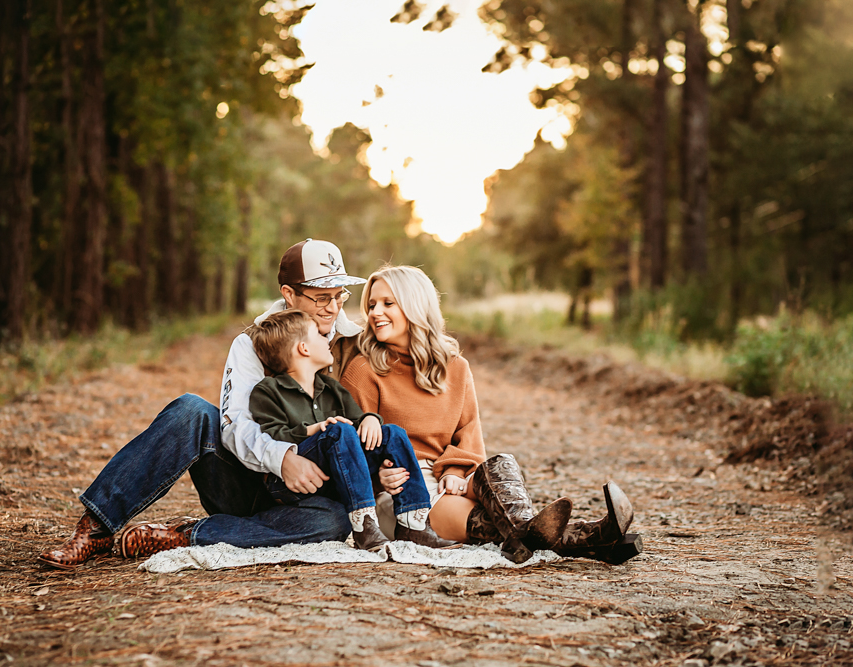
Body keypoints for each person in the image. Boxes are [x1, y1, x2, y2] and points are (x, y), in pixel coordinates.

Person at [38, 239, 369, 569]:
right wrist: (281, 459)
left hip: (309, 499)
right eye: (322, 297)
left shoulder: (354, 345)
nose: (333, 307)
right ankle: (96, 528)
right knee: (190, 411)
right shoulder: (251, 344)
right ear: (289, 294)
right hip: (247, 484)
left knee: (333, 523)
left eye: (340, 295)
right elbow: (236, 423)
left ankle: (186, 535)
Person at [341, 265, 642, 564]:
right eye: (371, 305)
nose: (375, 312)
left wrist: (454, 470)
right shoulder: (364, 371)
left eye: (387, 303)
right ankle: (597, 538)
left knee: (501, 465)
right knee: (494, 524)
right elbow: (350, 451)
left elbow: (469, 431)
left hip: (451, 473)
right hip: (407, 491)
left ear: (415, 305)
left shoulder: (455, 367)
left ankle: (587, 540)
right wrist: (378, 475)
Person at [247, 310, 454, 550]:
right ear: (304, 348)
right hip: (292, 480)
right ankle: (364, 525)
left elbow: (356, 420)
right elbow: (271, 434)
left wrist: (370, 419)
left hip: (337, 474)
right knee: (338, 430)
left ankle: (414, 523)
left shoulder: (331, 387)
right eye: (320, 335)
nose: (327, 340)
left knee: (393, 433)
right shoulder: (268, 390)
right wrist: (311, 430)